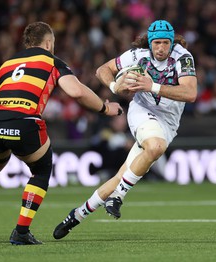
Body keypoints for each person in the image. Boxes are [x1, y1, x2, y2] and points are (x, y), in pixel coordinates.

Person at [0, 21, 123, 245]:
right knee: (41, 170)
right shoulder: (52, 61)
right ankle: (21, 232)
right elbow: (76, 91)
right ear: (49, 42)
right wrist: (105, 108)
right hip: (24, 122)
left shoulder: (7, 64)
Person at [53, 20, 197, 239]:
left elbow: (190, 93)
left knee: (122, 175)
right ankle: (119, 195)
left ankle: (77, 214)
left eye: (165, 43)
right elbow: (103, 70)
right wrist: (114, 86)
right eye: (156, 43)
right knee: (156, 146)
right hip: (142, 110)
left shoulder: (183, 57)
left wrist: (152, 86)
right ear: (150, 42)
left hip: (168, 122)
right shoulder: (137, 55)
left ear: (171, 42)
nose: (161, 48)